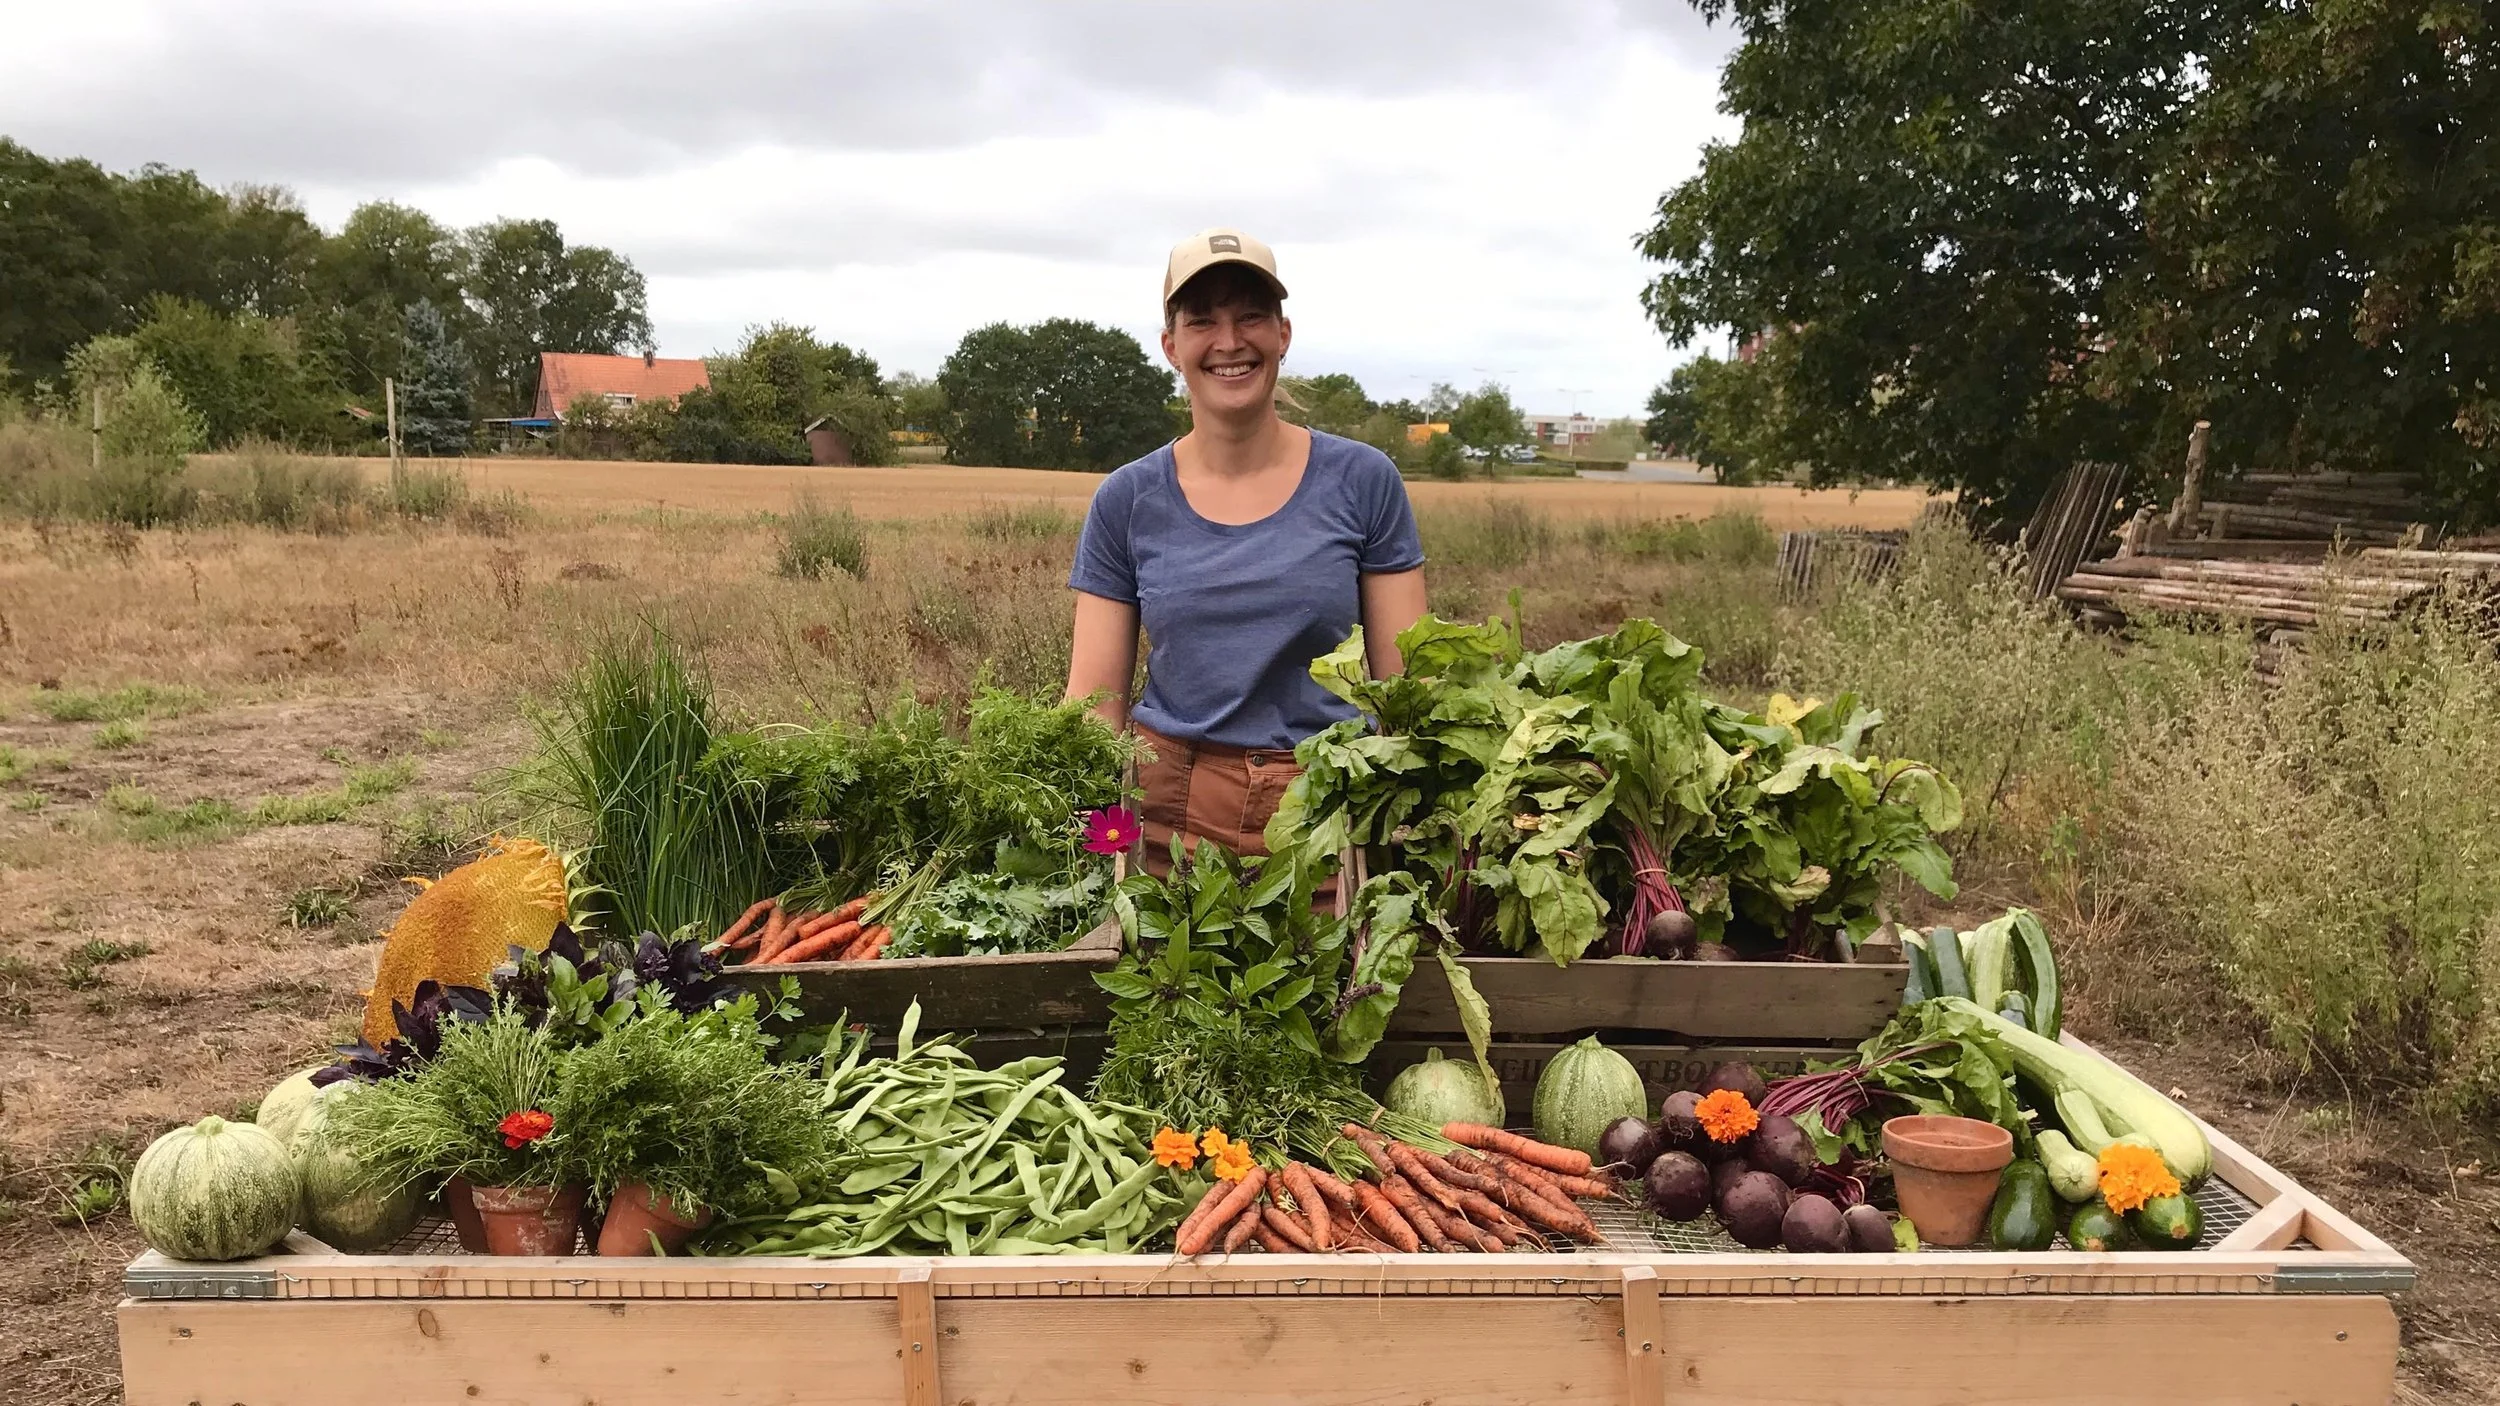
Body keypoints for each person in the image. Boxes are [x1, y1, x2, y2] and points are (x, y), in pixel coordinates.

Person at [1065, 228, 1429, 871]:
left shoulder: (1364, 482)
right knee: (1164, 975)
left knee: (1339, 976)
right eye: (1202, 320)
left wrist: (1410, 833)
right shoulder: (1126, 500)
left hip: (1326, 818)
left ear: (1282, 334)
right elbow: (1095, 707)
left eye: (1250, 316)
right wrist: (1094, 866)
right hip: (1167, 824)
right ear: (1172, 347)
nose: (1229, 342)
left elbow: (1408, 688)